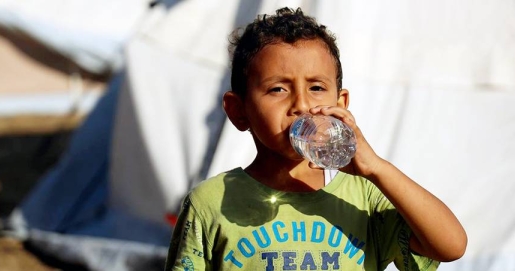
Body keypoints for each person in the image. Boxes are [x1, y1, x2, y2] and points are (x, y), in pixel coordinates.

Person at [165, 7, 467, 271]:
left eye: (317, 88)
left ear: (341, 103)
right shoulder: (210, 203)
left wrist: (376, 168)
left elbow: (450, 246)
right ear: (238, 111)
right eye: (278, 89)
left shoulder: (363, 197)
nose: (302, 105)